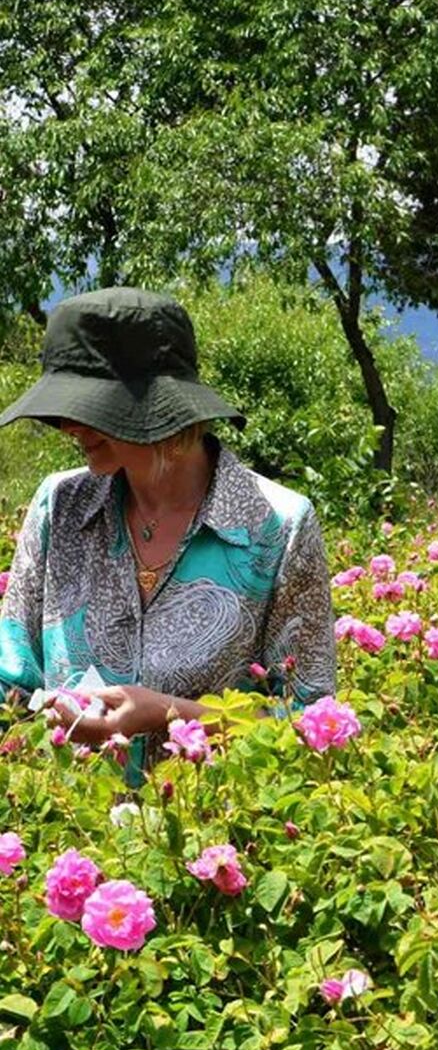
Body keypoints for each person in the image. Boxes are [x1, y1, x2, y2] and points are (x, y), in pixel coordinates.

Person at [0, 287, 336, 780]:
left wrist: (169, 713)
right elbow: (10, 679)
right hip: (68, 837)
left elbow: (312, 726)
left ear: (159, 408)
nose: (68, 425)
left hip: (211, 840)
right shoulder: (61, 507)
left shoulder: (276, 528)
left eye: (90, 407)